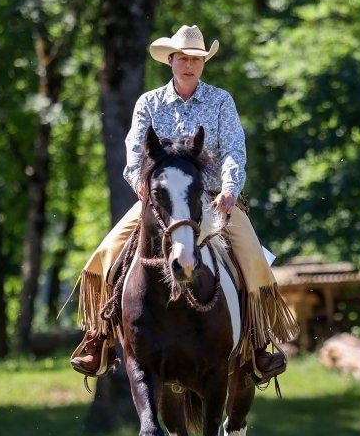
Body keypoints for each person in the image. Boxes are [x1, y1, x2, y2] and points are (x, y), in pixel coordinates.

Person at [70, 24, 299, 381]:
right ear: (171, 61)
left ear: (203, 63)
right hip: (160, 201)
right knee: (105, 254)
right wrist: (142, 189)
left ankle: (258, 345)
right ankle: (99, 337)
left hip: (211, 200)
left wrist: (229, 190)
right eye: (183, 59)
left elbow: (235, 150)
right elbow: (134, 156)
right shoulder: (149, 103)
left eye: (197, 59)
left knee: (253, 260)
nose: (190, 65)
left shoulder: (221, 101)